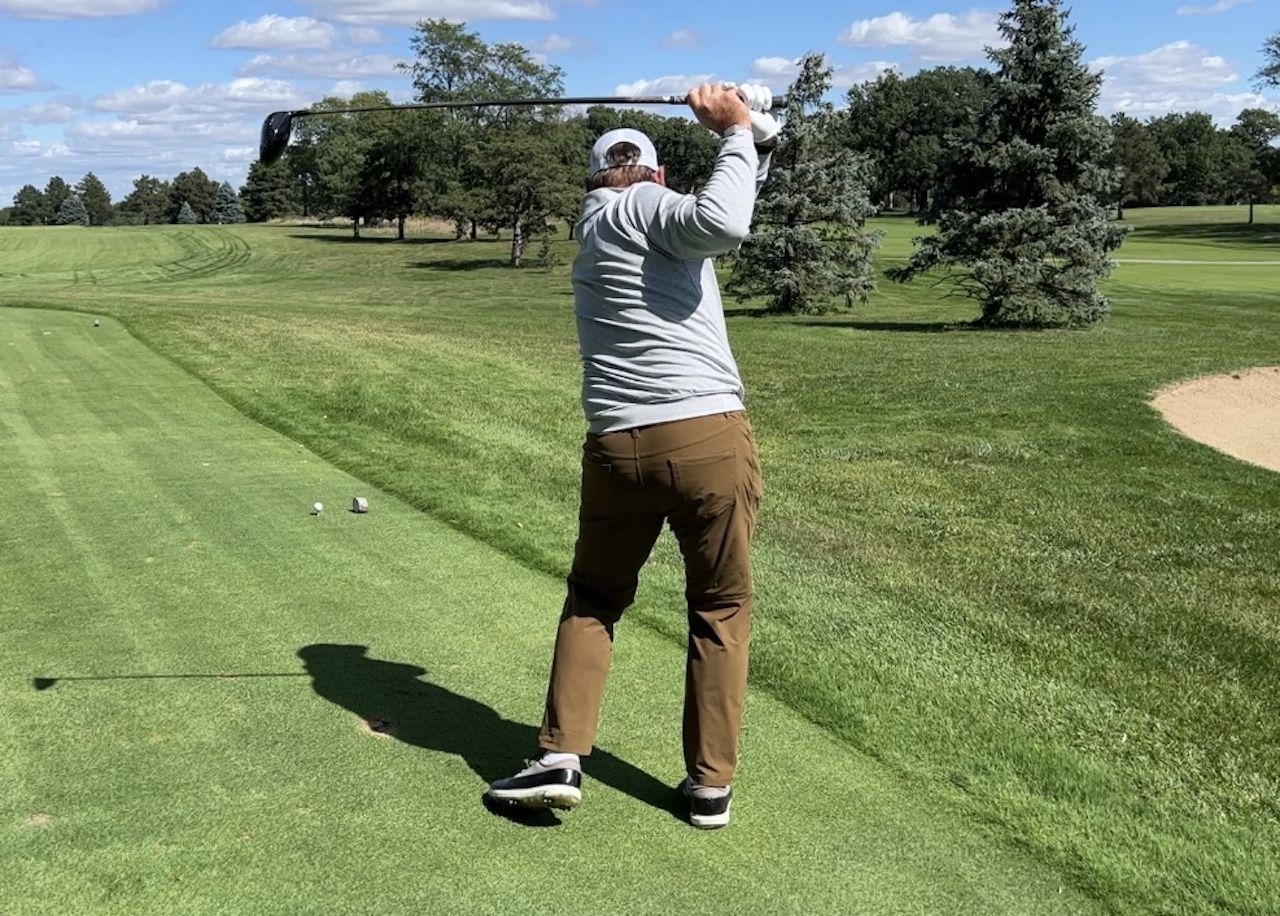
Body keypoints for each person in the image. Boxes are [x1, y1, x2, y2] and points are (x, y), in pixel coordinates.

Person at [487, 83, 779, 829]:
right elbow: (726, 220)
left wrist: (756, 135)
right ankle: (709, 786)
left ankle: (559, 755)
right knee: (718, 607)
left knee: (595, 597)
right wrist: (733, 129)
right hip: (706, 436)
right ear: (655, 174)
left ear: (592, 177)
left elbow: (734, 195)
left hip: (617, 446)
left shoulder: (594, 225)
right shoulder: (649, 206)